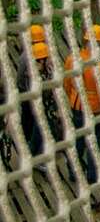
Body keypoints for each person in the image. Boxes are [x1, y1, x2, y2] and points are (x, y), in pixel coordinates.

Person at [63, 24, 100, 193]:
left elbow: (67, 84)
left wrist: (73, 98)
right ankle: (92, 176)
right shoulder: (98, 67)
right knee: (94, 143)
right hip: (96, 110)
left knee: (78, 141)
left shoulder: (72, 59)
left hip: (77, 106)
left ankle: (73, 172)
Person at [17, 26, 60, 174]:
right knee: (40, 130)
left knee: (32, 126)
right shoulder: (31, 62)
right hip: (36, 102)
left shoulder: (28, 55)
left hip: (32, 99)